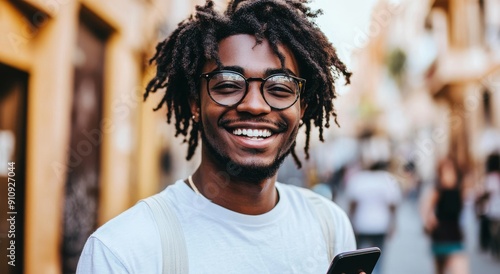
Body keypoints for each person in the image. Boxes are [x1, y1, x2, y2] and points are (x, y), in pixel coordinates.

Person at [77, 1, 360, 273]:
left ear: (302, 109)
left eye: (280, 88)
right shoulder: (123, 252)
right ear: (195, 105)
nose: (255, 105)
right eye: (228, 85)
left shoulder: (330, 226)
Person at [345, 136, 401, 274]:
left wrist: (351, 222)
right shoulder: (387, 179)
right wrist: (393, 223)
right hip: (380, 225)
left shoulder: (358, 178)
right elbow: (392, 205)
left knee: (360, 261)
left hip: (361, 224)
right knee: (379, 258)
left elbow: (353, 204)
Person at [420, 157, 469, 274]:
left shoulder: (460, 189)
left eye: (451, 170)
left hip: (455, 237)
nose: (449, 174)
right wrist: (429, 219)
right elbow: (425, 206)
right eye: (446, 170)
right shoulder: (438, 190)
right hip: (440, 236)